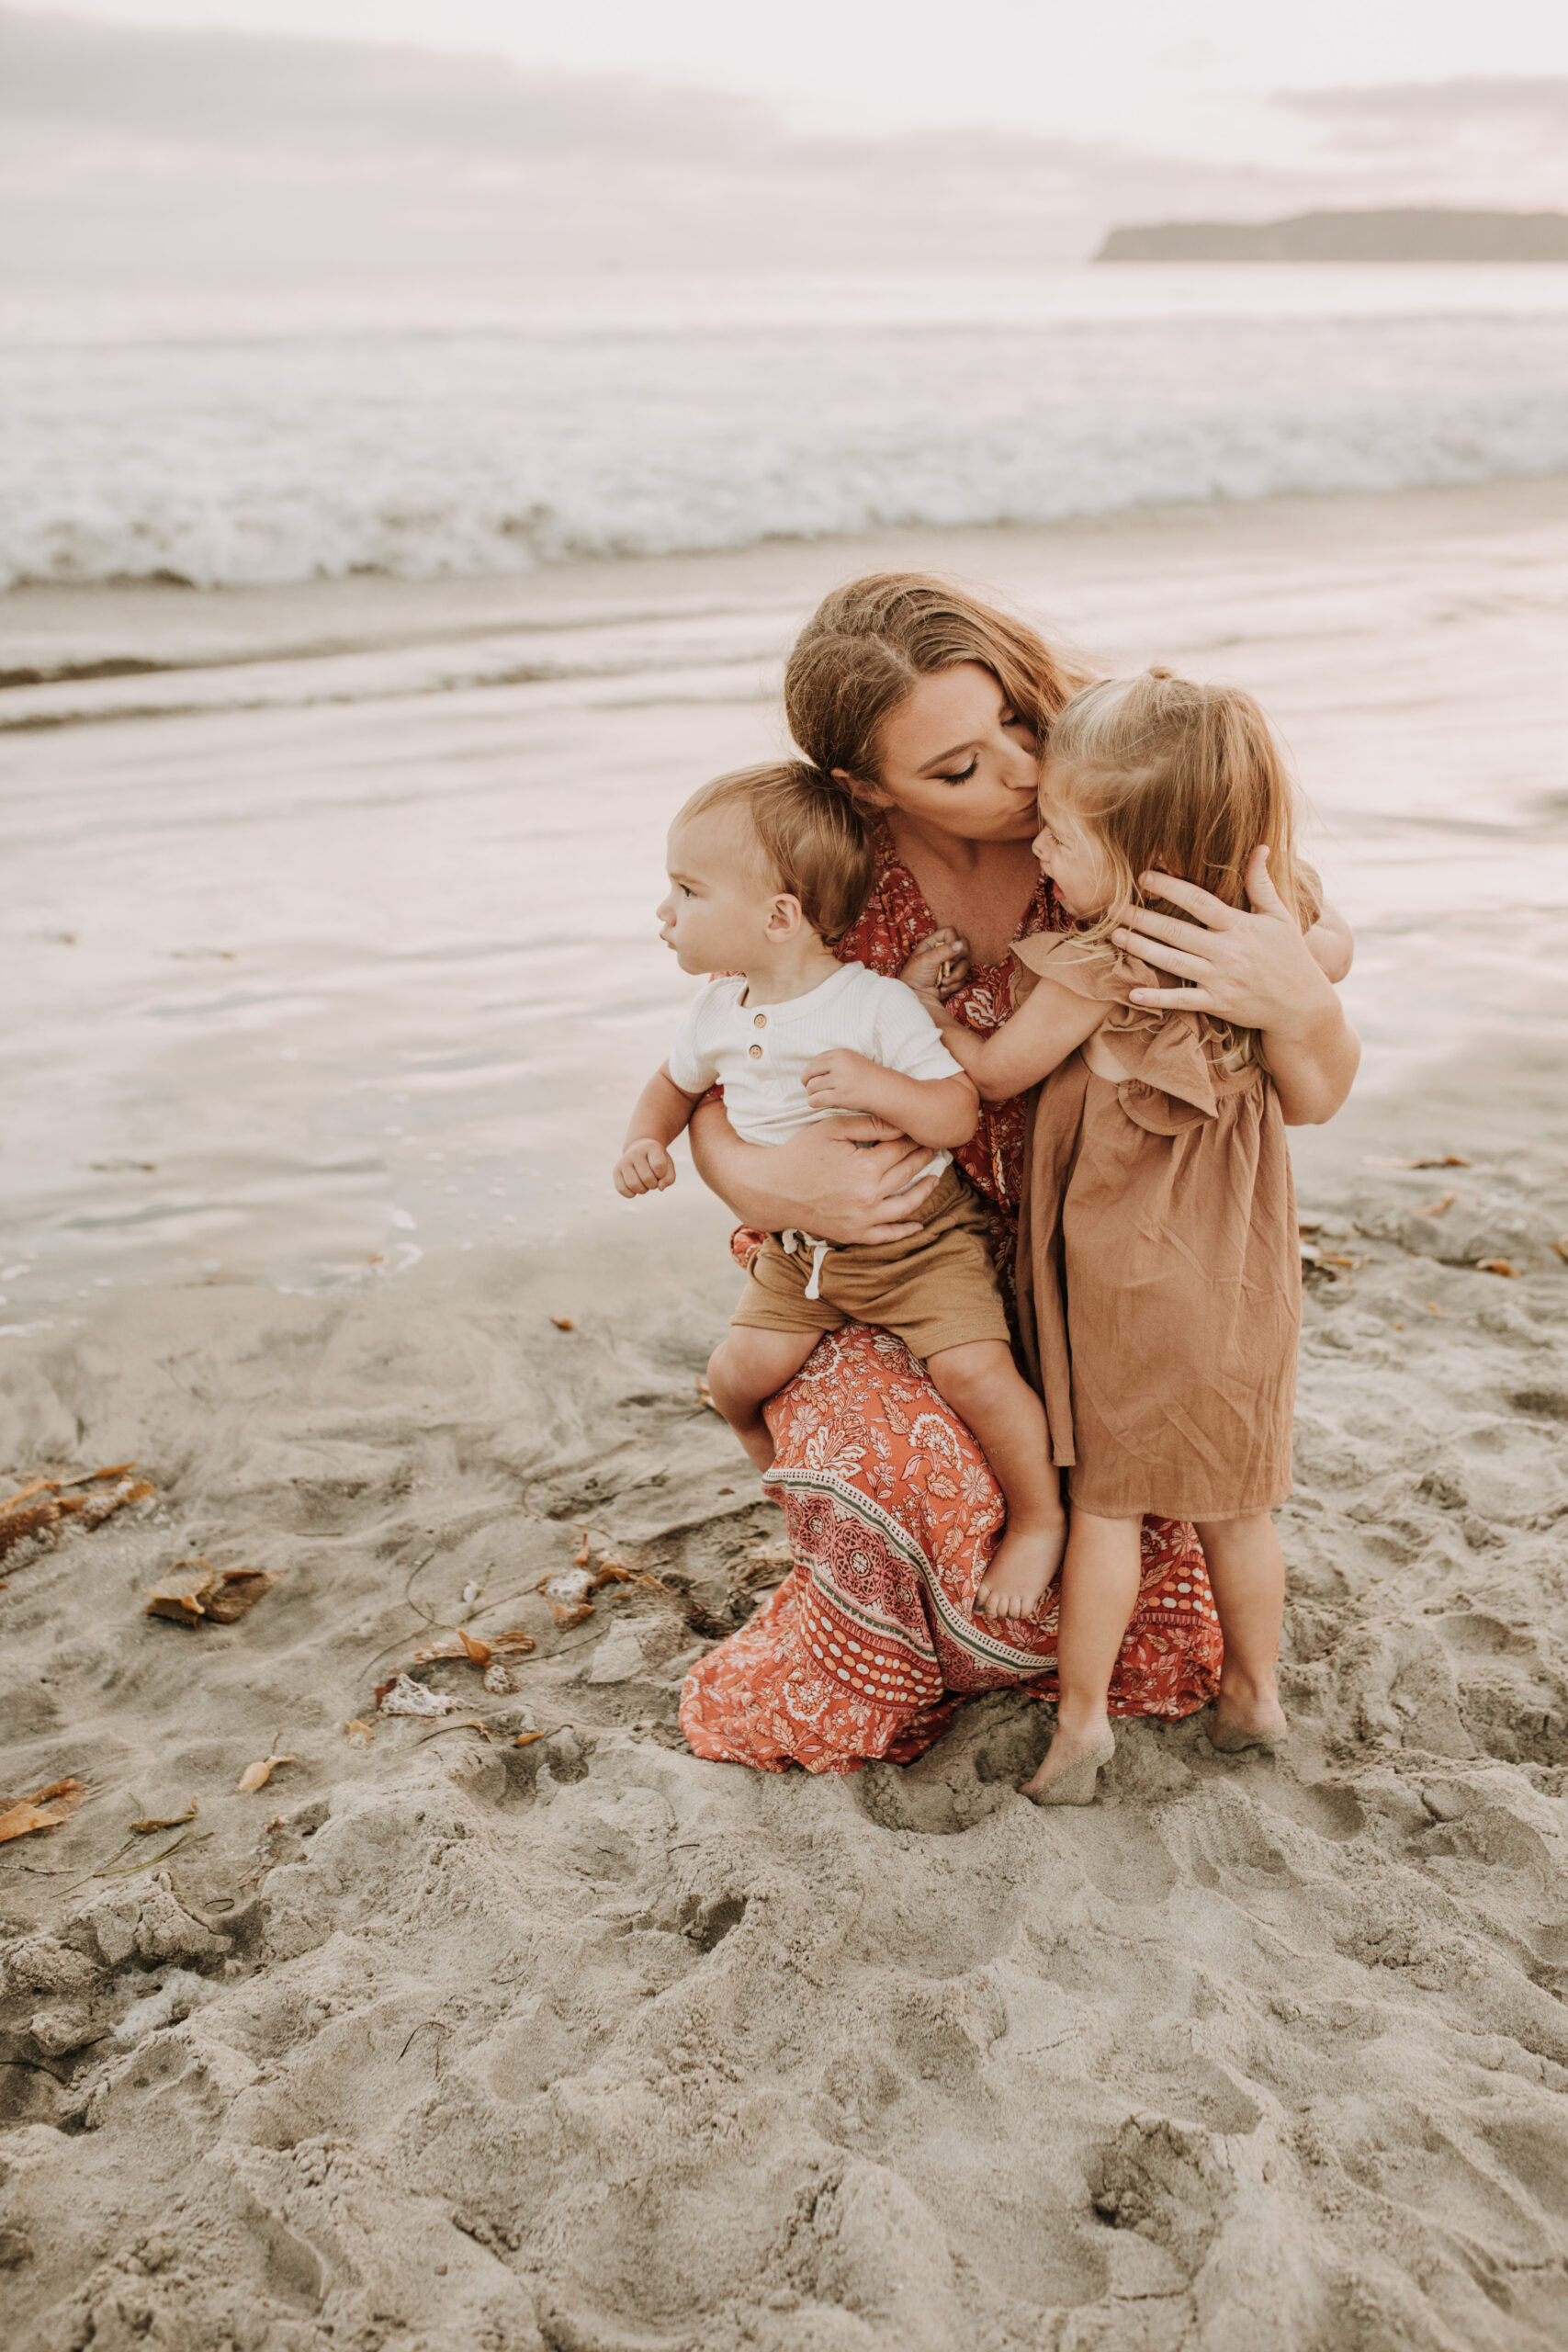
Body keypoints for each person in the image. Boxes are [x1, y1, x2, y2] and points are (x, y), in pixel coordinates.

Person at [677, 574, 1358, 1777]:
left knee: (1148, 1556)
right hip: (891, 1255)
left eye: (1015, 726)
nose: (1017, 773)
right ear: (863, 788)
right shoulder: (828, 872)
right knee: (903, 1474)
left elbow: (1306, 1091)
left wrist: (1297, 995)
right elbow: (715, 1070)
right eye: (954, 768)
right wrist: (760, 1191)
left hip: (1096, 1267)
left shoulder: (1120, 805)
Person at [906, 669, 1325, 1804]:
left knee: (1106, 1509)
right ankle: (1254, 1695)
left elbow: (996, 1073)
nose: (1039, 850)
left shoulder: (1096, 965)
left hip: (1128, 1277)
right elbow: (1328, 960)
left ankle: (1083, 1723)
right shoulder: (1267, 942)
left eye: (1058, 833)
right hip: (1243, 1273)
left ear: (1139, 865)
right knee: (1241, 1503)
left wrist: (931, 1007)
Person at [615, 763, 1067, 1608]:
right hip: (802, 1251)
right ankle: (781, 1485)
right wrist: (647, 1142)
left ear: (779, 917)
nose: (663, 912)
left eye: (685, 890)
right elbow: (672, 1088)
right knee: (735, 1376)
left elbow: (953, 1113)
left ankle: (1039, 1521)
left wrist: (875, 1086)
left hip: (919, 1240)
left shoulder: (872, 1007)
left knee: (977, 1375)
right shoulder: (715, 1013)